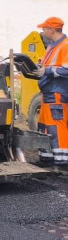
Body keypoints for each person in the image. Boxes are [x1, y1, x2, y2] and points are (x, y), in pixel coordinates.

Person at [36, 16, 68, 166]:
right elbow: (45, 64)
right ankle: (47, 157)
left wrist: (46, 71)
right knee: (44, 125)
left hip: (57, 92)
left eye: (44, 29)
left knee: (57, 125)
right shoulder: (51, 46)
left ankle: (62, 161)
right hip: (48, 92)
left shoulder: (66, 46)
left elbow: (66, 70)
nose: (42, 31)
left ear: (52, 30)